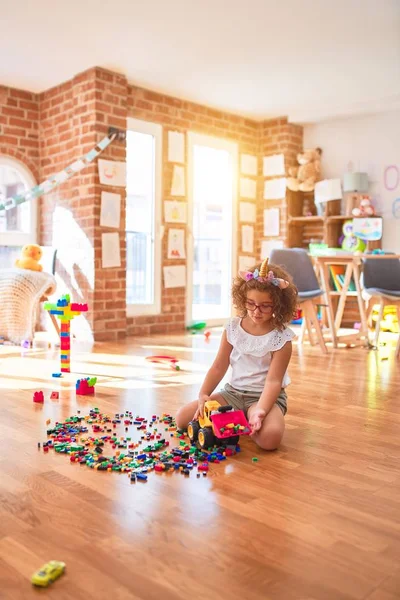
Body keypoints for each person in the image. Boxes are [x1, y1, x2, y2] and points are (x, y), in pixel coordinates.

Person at [176, 258, 298, 450]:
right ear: (243, 300)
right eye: (251, 303)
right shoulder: (233, 327)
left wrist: (261, 411)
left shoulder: (281, 338)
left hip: (263, 397)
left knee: (270, 439)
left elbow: (273, 382)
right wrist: (203, 394)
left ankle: (246, 419)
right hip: (232, 394)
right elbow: (218, 366)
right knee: (182, 419)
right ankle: (238, 420)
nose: (256, 311)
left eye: (265, 306)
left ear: (279, 305)